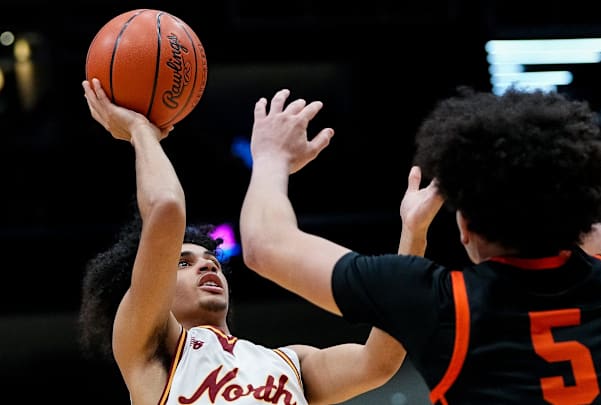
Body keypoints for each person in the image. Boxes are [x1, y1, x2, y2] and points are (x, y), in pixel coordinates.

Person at [239, 87, 601, 404]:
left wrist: (270, 157)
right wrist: (569, 215)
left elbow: (266, 245)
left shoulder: (440, 301)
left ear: (464, 225)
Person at [77, 78, 443, 405]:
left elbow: (378, 361)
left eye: (212, 261)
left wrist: (414, 233)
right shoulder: (149, 349)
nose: (207, 264)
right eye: (183, 262)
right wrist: (140, 130)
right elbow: (166, 208)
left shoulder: (290, 362)